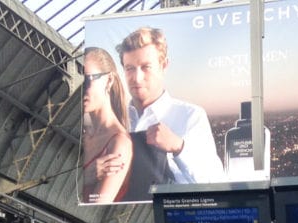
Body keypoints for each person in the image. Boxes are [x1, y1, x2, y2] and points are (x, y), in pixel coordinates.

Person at [110, 27, 223, 201]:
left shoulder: (190, 116)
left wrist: (179, 147)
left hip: (176, 221)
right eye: (130, 69)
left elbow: (215, 184)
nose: (137, 78)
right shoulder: (114, 120)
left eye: (146, 67)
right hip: (121, 221)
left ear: (163, 66)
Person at [80, 47, 133, 205]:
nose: (82, 89)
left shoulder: (119, 143)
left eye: (88, 79)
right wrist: (85, 175)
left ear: (109, 80)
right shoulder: (82, 133)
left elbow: (96, 208)